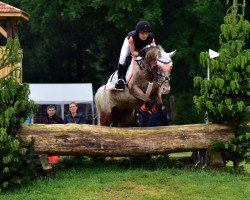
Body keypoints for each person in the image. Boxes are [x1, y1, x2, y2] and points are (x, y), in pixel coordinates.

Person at [115, 20, 156, 90]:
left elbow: (154, 50)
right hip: (130, 45)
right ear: (138, 33)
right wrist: (140, 53)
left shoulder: (151, 38)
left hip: (143, 46)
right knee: (122, 58)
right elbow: (133, 53)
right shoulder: (132, 37)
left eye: (146, 33)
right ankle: (120, 79)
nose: (145, 35)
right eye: (142, 33)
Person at [39, 105, 64, 178]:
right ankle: (48, 169)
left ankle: (56, 167)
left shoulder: (59, 119)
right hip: (46, 140)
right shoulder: (43, 119)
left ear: (55, 111)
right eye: (50, 110)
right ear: (47, 111)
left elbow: (63, 130)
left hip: (56, 140)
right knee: (44, 155)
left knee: (56, 156)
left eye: (52, 110)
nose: (51, 111)